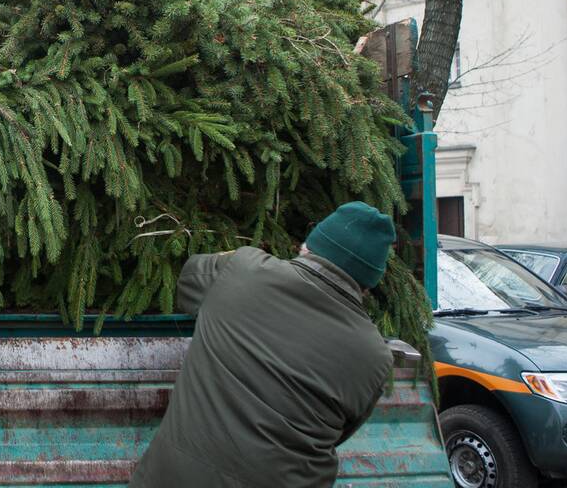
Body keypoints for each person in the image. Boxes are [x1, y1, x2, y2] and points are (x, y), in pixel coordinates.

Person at [129, 201, 396, 488]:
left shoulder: (244, 269)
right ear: (367, 287)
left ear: (308, 248)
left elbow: (189, 279)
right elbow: (339, 431)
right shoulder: (375, 356)